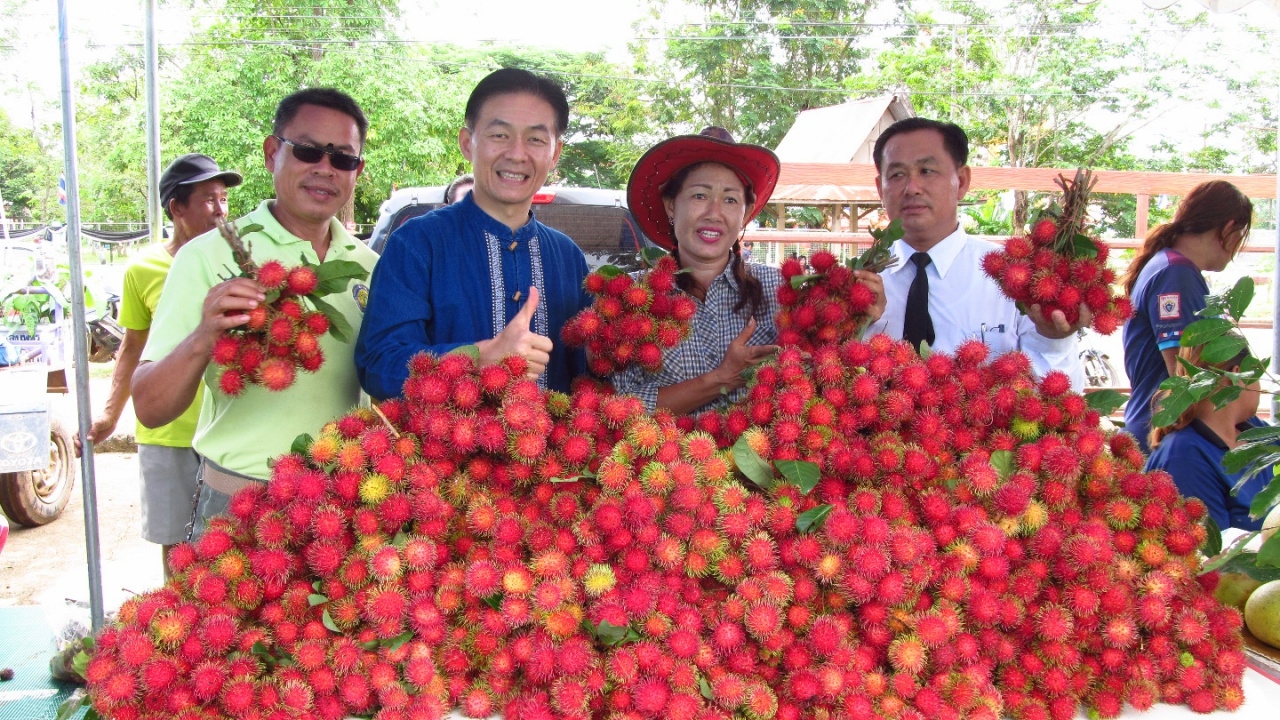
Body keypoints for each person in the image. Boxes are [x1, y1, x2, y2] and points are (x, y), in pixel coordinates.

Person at [132, 88, 378, 538]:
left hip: (339, 503)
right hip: (237, 503)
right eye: (307, 150)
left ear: (356, 171)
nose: (325, 168)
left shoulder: (370, 267)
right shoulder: (205, 257)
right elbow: (150, 407)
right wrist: (204, 336)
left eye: (343, 158)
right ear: (271, 153)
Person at [610, 127, 884, 415]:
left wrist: (858, 320)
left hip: (765, 446)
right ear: (670, 206)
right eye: (700, 196)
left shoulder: (782, 290)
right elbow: (619, 408)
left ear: (746, 213)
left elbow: (820, 375)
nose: (714, 213)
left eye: (730, 200)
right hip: (663, 446)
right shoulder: (630, 298)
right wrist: (722, 378)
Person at [355, 68, 590, 399]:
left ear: (554, 154)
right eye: (500, 135)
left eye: (535, 139)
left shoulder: (568, 257)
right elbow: (378, 365)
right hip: (438, 436)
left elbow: (589, 377)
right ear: (467, 143)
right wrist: (479, 357)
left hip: (551, 435)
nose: (517, 154)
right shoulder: (418, 243)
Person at [74, 154, 242, 575]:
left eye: (223, 199)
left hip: (229, 429)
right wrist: (110, 414)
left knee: (232, 556)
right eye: (208, 199)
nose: (221, 210)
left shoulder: (240, 262)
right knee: (178, 553)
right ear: (176, 208)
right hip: (169, 433)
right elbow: (133, 346)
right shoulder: (143, 269)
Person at [864, 117, 1086, 389]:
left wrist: (1054, 340)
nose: (912, 188)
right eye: (897, 175)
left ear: (962, 181)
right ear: (880, 188)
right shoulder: (855, 283)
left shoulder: (1016, 278)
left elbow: (1063, 395)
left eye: (927, 170)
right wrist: (855, 325)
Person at [1121, 180, 1252, 453]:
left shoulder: (1168, 265)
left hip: (1158, 432)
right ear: (1228, 229)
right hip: (1166, 439)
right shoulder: (1176, 275)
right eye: (1241, 237)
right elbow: (1183, 376)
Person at [1146, 340, 1271, 531]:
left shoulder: (1255, 430)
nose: (1261, 387)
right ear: (1238, 375)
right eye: (1257, 373)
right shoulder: (1184, 458)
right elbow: (1212, 546)